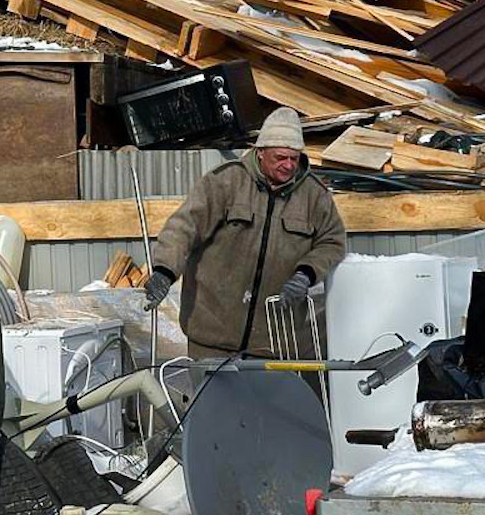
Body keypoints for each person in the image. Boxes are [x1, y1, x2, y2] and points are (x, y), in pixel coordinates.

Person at [143, 106, 347, 360]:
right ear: (260, 153)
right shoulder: (225, 182)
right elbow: (184, 227)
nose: (288, 165)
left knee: (263, 401)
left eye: (294, 159)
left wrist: (305, 274)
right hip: (212, 335)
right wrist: (164, 271)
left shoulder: (314, 196)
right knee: (213, 400)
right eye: (281, 158)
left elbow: (333, 242)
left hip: (274, 340)